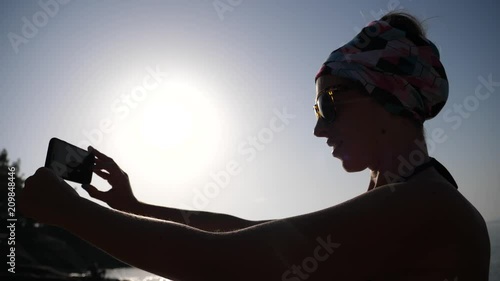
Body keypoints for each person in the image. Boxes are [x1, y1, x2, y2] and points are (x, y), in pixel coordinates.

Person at [19, 11, 490, 281]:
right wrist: (137, 206)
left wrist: (72, 213)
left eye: (328, 104)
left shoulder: (426, 205)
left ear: (390, 97)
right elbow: (245, 230)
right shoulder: (399, 196)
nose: (319, 130)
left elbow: (226, 262)